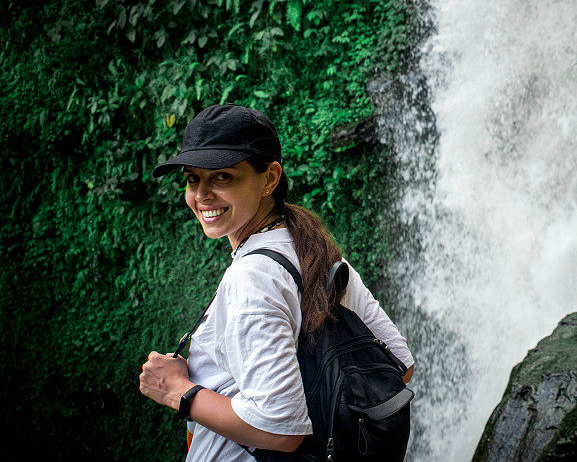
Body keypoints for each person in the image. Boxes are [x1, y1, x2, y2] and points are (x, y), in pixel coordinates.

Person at [139, 103, 414, 460]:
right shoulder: (316, 252)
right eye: (193, 178)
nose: (201, 195)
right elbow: (399, 365)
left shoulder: (253, 276)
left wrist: (178, 391)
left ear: (269, 178)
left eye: (222, 176)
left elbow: (279, 431)